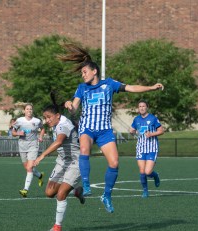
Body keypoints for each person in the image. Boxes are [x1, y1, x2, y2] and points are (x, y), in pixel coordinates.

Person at [61, 43, 164, 213]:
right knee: (85, 148)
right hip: (87, 127)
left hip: (104, 130)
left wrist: (151, 87)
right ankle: (86, 184)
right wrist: (69, 106)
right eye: (81, 73)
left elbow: (131, 88)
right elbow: (74, 107)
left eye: (84, 72)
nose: (82, 75)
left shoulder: (109, 84)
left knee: (115, 163)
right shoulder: (81, 88)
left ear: (94, 71)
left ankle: (106, 195)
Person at [34, 105, 85, 231]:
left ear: (57, 115)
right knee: (49, 193)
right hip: (62, 162)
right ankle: (76, 191)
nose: (47, 120)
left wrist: (42, 155)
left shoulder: (64, 124)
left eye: (49, 117)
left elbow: (59, 142)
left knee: (61, 194)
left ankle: (57, 226)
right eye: (45, 118)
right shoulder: (56, 123)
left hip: (76, 162)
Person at [129, 100, 164, 198]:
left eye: (143, 106)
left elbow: (161, 130)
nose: (141, 108)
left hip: (152, 148)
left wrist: (152, 134)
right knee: (142, 171)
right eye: (140, 106)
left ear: (147, 107)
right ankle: (145, 191)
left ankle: (155, 176)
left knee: (148, 172)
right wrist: (131, 131)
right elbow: (133, 130)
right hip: (140, 147)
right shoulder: (136, 119)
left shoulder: (152, 118)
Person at [12, 103, 46, 197]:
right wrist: (19, 133)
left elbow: (42, 129)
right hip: (22, 145)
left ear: (32, 111)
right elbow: (13, 132)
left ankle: (25, 190)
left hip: (33, 145)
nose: (29, 111)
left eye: (31, 109)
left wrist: (41, 136)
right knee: (27, 168)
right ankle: (40, 176)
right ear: (24, 111)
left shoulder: (37, 121)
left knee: (30, 167)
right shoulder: (19, 121)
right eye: (27, 109)